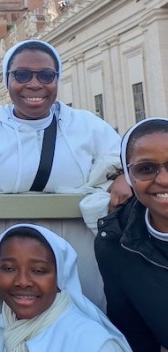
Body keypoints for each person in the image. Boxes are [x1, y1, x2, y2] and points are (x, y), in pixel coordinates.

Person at [0, 39, 129, 210]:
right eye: (22, 75)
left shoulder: (87, 125)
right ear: (7, 79)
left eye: (46, 76)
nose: (34, 84)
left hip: (75, 236)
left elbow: (126, 162)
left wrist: (124, 178)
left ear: (57, 79)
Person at [0, 224, 130, 351]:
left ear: (59, 276)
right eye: (9, 269)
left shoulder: (92, 342)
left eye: (38, 271)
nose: (22, 281)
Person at [95, 117, 168, 351]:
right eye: (146, 169)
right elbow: (135, 334)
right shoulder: (115, 244)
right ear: (128, 177)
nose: (164, 179)